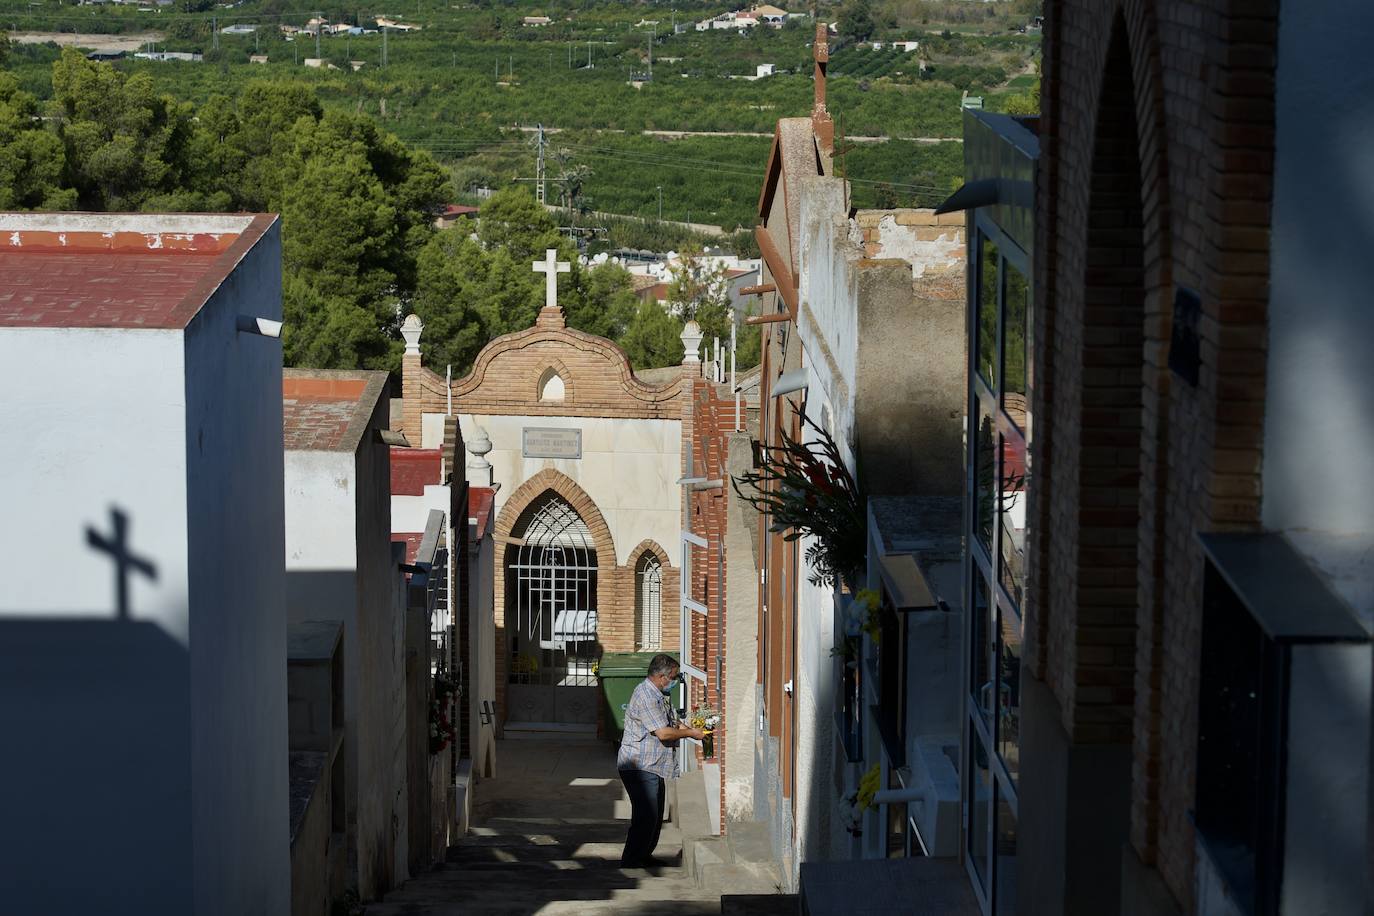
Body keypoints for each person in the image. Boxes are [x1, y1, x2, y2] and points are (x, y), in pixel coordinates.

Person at [616, 653, 704, 869]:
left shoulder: (657, 695)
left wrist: (694, 730)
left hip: (653, 765)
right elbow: (664, 733)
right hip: (639, 765)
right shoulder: (646, 696)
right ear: (662, 677)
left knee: (654, 816)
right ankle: (631, 861)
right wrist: (691, 734)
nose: (673, 682)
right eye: (672, 677)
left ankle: (644, 855)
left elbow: (672, 722)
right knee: (646, 816)